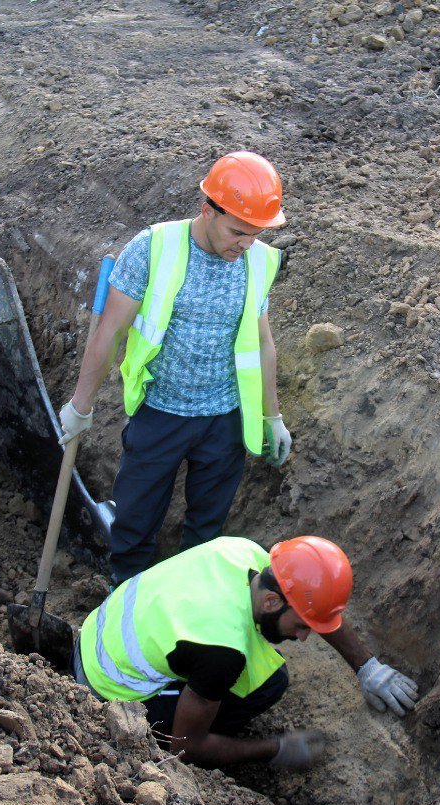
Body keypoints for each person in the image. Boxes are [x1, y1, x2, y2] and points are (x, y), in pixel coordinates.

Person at [58, 151, 294, 584]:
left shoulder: (257, 260)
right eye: (238, 231)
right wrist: (80, 405)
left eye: (256, 234)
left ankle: (185, 606)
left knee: (205, 535)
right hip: (160, 414)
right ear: (207, 210)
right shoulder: (155, 248)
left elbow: (262, 342)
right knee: (134, 524)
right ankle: (124, 600)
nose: (245, 244)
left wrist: (272, 415)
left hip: (224, 422)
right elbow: (109, 332)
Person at [12, 536, 418, 769]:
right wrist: (275, 750)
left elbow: (313, 603)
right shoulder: (222, 651)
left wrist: (367, 666)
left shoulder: (244, 553)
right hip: (104, 693)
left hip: (98, 634)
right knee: (268, 685)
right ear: (274, 603)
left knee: (263, 672)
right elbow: (185, 748)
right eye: (302, 628)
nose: (305, 639)